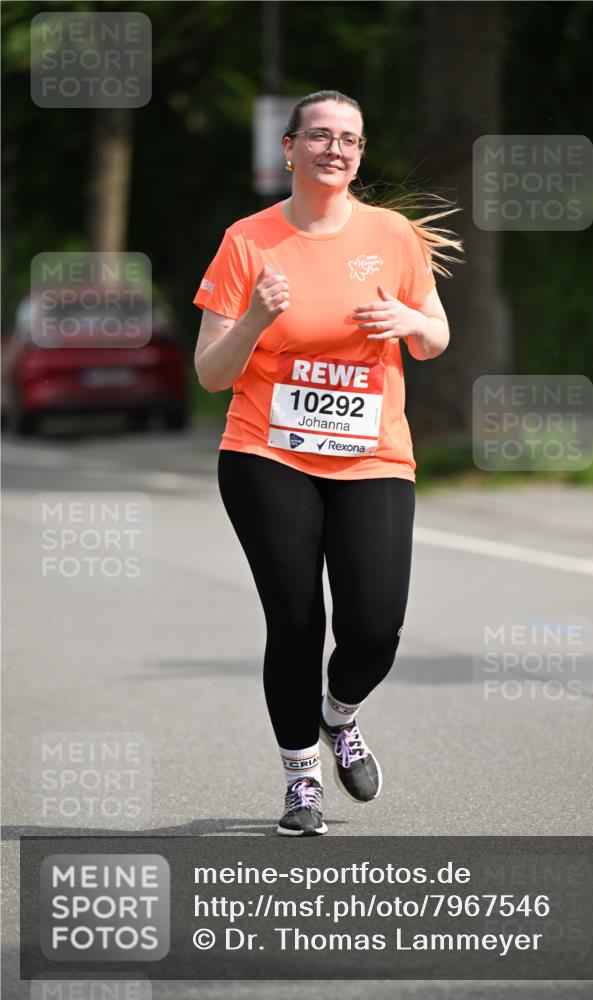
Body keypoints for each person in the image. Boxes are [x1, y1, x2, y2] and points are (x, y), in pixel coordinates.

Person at [193, 89, 462, 837]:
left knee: (375, 626)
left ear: (358, 154)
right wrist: (255, 318)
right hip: (265, 453)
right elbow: (212, 374)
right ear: (289, 148)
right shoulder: (248, 241)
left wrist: (410, 320)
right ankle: (301, 782)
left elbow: (435, 336)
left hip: (371, 453)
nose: (334, 148)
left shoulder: (394, 235)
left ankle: (337, 714)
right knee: (296, 619)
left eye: (348, 138)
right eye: (318, 135)